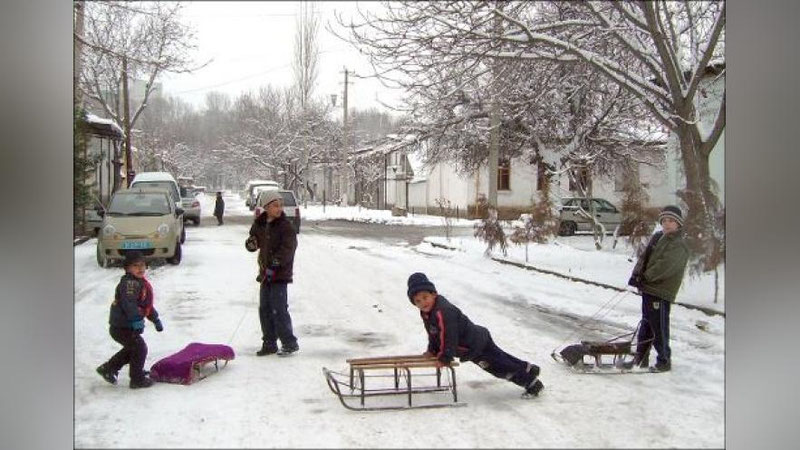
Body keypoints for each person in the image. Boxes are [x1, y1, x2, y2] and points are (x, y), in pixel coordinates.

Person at [406, 272, 544, 398]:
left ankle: (532, 384)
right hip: (477, 337)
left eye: (425, 297)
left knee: (498, 367)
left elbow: (449, 337)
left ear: (433, 294)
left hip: (473, 345)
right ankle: (529, 369)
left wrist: (444, 358)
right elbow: (434, 334)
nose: (423, 303)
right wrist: (432, 350)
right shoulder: (428, 312)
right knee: (500, 357)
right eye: (418, 301)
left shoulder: (443, 311)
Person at [626, 205, 690, 372]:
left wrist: (645, 277)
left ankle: (664, 360)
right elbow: (644, 258)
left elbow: (665, 266)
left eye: (671, 221)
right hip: (649, 289)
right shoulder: (658, 237)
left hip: (661, 292)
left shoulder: (679, 244)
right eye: (664, 220)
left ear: (678, 224)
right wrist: (636, 275)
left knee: (659, 327)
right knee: (646, 325)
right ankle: (641, 359)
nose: (667, 224)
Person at [96, 251, 164, 389]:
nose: (140, 268)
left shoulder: (139, 282)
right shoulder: (129, 284)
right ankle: (136, 379)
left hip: (126, 326)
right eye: (135, 266)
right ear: (127, 268)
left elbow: (146, 305)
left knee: (134, 348)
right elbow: (129, 304)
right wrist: (136, 320)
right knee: (139, 347)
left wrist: (155, 319)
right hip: (121, 327)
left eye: (142, 265)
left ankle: (109, 368)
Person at [248, 190, 299, 357]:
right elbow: (253, 241)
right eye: (275, 205)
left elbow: (288, 249)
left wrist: (275, 264)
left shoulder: (286, 226)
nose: (279, 208)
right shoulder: (260, 224)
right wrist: (251, 244)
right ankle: (269, 343)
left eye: (281, 205)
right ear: (266, 207)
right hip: (265, 274)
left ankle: (289, 343)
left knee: (279, 308)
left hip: (280, 274)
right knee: (265, 308)